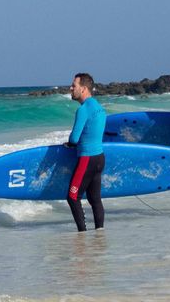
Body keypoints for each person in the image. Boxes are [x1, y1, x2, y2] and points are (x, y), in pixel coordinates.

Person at [63, 73, 106, 231]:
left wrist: (69, 144)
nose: (71, 88)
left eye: (74, 85)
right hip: (100, 158)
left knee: (73, 196)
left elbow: (74, 139)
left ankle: (82, 233)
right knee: (95, 199)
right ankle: (100, 233)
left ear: (84, 89)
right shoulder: (99, 108)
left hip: (87, 159)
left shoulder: (83, 110)